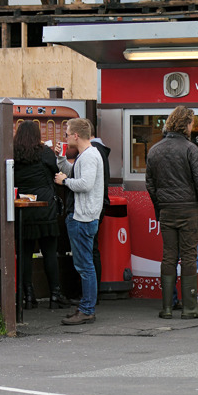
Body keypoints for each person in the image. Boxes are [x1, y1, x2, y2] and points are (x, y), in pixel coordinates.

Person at [145, 105, 198, 320]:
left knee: (168, 257)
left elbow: (150, 184)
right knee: (189, 257)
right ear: (186, 124)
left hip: (167, 211)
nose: (193, 126)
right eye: (192, 122)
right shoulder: (190, 149)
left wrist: (160, 207)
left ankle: (166, 308)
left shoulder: (154, 150)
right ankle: (190, 308)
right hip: (189, 211)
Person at [12, 121, 70, 310]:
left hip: (23, 207)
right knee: (49, 252)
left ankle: (28, 296)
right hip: (45, 207)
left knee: (25, 254)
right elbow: (56, 172)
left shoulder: (14, 153)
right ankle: (55, 294)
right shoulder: (44, 152)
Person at [54, 118, 104, 325]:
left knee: (85, 266)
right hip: (83, 216)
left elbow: (85, 183)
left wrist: (64, 181)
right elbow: (74, 171)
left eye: (67, 133)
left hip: (83, 217)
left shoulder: (90, 156)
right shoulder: (87, 155)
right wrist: (60, 158)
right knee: (85, 265)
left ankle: (86, 309)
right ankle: (86, 306)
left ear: (76, 135)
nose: (65, 136)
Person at [88, 120, 111, 298]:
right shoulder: (101, 151)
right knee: (93, 249)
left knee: (91, 251)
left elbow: (87, 183)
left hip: (93, 206)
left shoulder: (93, 152)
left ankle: (91, 295)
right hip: (100, 204)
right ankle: (93, 295)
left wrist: (66, 180)